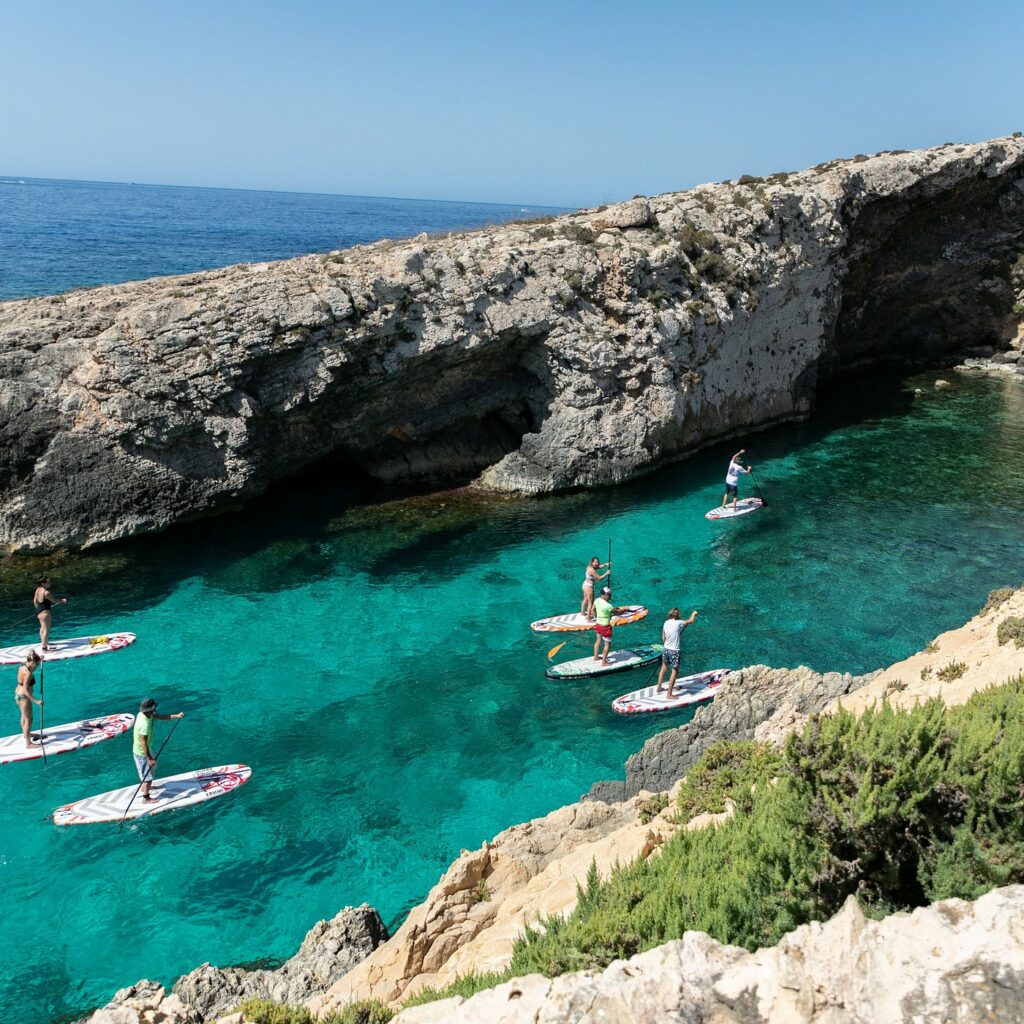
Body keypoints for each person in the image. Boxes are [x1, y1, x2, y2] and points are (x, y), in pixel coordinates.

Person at [133, 698, 184, 802]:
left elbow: (160, 717)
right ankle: (146, 798)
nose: (155, 709)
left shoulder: (144, 714)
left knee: (151, 770)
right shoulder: (145, 724)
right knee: (148, 777)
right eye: (154, 708)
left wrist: (176, 716)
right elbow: (143, 743)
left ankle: (145, 787)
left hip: (146, 749)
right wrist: (150, 759)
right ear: (151, 710)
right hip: (142, 753)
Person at [655, 608, 698, 699]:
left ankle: (659, 688)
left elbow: (663, 638)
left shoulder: (666, 622)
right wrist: (694, 613)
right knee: (674, 671)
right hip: (674, 651)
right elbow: (691, 621)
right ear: (678, 615)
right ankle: (669, 694)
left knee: (663, 668)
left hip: (666, 649)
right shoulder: (679, 623)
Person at [592, 587, 630, 665]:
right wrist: (625, 609)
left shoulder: (597, 600)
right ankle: (604, 662)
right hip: (605, 626)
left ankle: (596, 657)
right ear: (604, 595)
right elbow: (617, 612)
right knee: (607, 644)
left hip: (598, 624)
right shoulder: (608, 605)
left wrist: (597, 616)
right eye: (609, 595)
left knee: (598, 640)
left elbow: (593, 610)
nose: (610, 596)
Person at [14, 651, 43, 749]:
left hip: (18, 695)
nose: (36, 667)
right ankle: (28, 744)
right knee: (29, 719)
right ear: (33, 663)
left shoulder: (22, 666)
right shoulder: (28, 674)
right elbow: (26, 690)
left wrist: (39, 658)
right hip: (24, 697)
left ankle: (26, 734)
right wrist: (36, 701)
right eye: (36, 665)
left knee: (23, 716)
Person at [32, 576, 68, 652]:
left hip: (39, 612)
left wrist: (38, 609)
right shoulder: (46, 592)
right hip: (45, 613)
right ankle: (44, 648)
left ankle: (45, 643)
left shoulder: (38, 589)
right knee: (46, 630)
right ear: (43, 583)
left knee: (42, 628)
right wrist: (62, 601)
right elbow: (54, 601)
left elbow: (35, 601)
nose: (50, 583)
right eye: (48, 582)